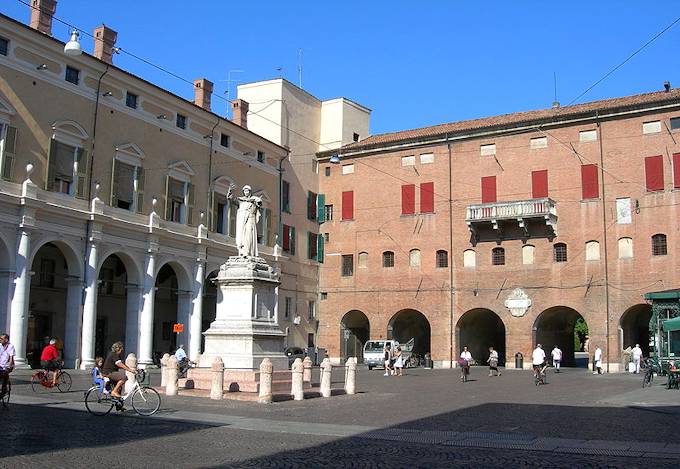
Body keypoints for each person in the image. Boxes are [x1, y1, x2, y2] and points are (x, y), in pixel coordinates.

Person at [228, 184, 263, 257]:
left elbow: (259, 202)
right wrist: (230, 191)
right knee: (242, 235)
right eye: (244, 191)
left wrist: (256, 200)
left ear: (250, 192)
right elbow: (231, 199)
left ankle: (248, 251)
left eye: (247, 190)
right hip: (241, 220)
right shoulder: (241, 200)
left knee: (249, 235)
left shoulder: (254, 200)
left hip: (250, 218)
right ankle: (242, 251)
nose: (245, 192)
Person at [0, 334, 15, 399]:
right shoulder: (0, 346)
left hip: (8, 365)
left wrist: (8, 367)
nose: (0, 340)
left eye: (1, 339)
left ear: (6, 340)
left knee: (5, 373)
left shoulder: (10, 346)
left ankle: (4, 390)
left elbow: (11, 358)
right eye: (0, 338)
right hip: (0, 365)